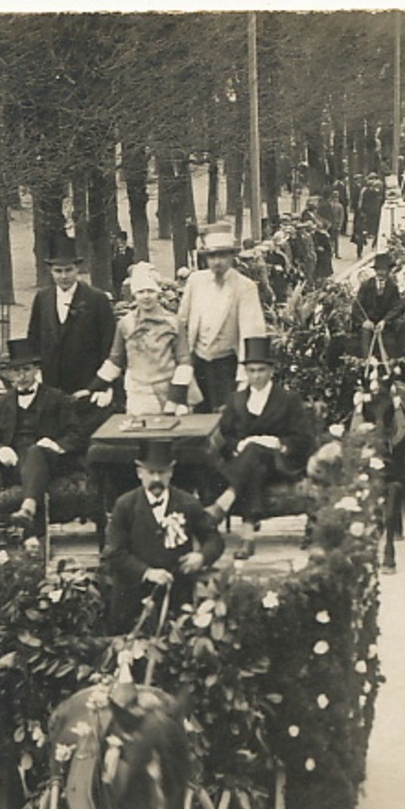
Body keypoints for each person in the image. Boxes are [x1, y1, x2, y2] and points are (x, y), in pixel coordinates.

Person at [205, 336, 317, 561]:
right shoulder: (236, 400)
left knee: (256, 452)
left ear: (271, 371)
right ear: (245, 372)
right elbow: (225, 436)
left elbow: (304, 438)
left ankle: (224, 501)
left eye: (261, 370)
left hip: (280, 462)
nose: (256, 376)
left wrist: (278, 443)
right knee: (254, 464)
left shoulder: (288, 400)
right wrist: (239, 445)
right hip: (248, 464)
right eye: (252, 370)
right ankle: (248, 538)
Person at [100, 442, 224, 634]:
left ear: (171, 472)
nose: (156, 479)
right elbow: (114, 552)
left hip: (177, 595)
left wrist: (201, 557)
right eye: (150, 472)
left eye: (162, 472)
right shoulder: (125, 505)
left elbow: (214, 539)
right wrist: (147, 572)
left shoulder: (187, 502)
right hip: (132, 596)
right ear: (139, 472)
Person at [0, 338, 84, 530]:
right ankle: (31, 522)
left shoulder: (56, 398)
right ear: (9, 375)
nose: (22, 376)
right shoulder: (0, 403)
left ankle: (28, 509)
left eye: (26, 370)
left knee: (36, 451)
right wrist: (0, 449)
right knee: (30, 457)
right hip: (14, 465)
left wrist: (56, 445)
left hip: (51, 462)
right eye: (17, 371)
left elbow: (76, 434)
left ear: (36, 370)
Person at [171, 226, 269, 414]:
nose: (217, 262)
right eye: (212, 256)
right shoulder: (195, 281)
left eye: (223, 256)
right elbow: (181, 321)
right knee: (198, 417)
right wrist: (181, 361)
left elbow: (253, 332)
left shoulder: (244, 287)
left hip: (227, 366)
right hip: (198, 362)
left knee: (228, 419)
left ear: (232, 257)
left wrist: (248, 377)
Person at [86, 263, 180, 415]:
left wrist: (178, 397)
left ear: (158, 292)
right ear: (134, 294)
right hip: (137, 392)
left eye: (151, 291)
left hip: (168, 391)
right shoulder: (125, 323)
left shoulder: (173, 322)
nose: (146, 296)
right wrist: (94, 387)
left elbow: (184, 361)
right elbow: (115, 360)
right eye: (141, 291)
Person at [25, 256, 117, 396]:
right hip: (51, 384)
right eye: (58, 271)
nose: (64, 276)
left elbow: (108, 343)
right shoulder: (42, 298)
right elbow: (34, 338)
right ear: (51, 271)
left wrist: (99, 386)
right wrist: (37, 373)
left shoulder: (96, 298)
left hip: (86, 385)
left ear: (77, 269)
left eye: (68, 270)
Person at [354, 252, 405, 360]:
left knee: (402, 325)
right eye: (379, 270)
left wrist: (385, 321)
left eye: (384, 270)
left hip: (385, 321)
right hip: (369, 321)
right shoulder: (366, 285)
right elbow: (356, 307)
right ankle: (367, 361)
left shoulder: (392, 287)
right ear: (375, 270)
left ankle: (399, 359)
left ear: (388, 271)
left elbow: (397, 307)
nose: (381, 273)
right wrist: (364, 321)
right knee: (365, 334)